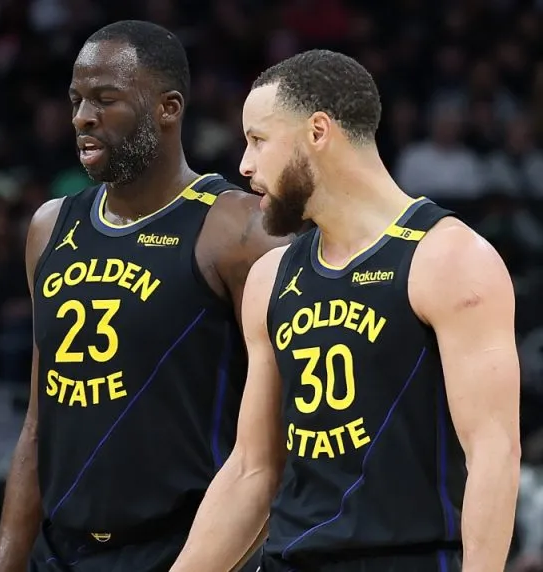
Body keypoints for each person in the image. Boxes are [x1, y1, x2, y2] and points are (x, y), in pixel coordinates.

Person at [171, 49, 521, 572]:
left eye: (258, 140)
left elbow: (494, 454)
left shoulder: (448, 258)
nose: (244, 164)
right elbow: (251, 470)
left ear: (318, 131)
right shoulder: (272, 276)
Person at [0, 21, 289, 572]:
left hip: (186, 548)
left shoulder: (239, 231)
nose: (82, 116)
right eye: (76, 99)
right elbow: (38, 422)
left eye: (106, 99)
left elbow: (284, 437)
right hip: (61, 550)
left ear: (167, 109)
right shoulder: (50, 227)